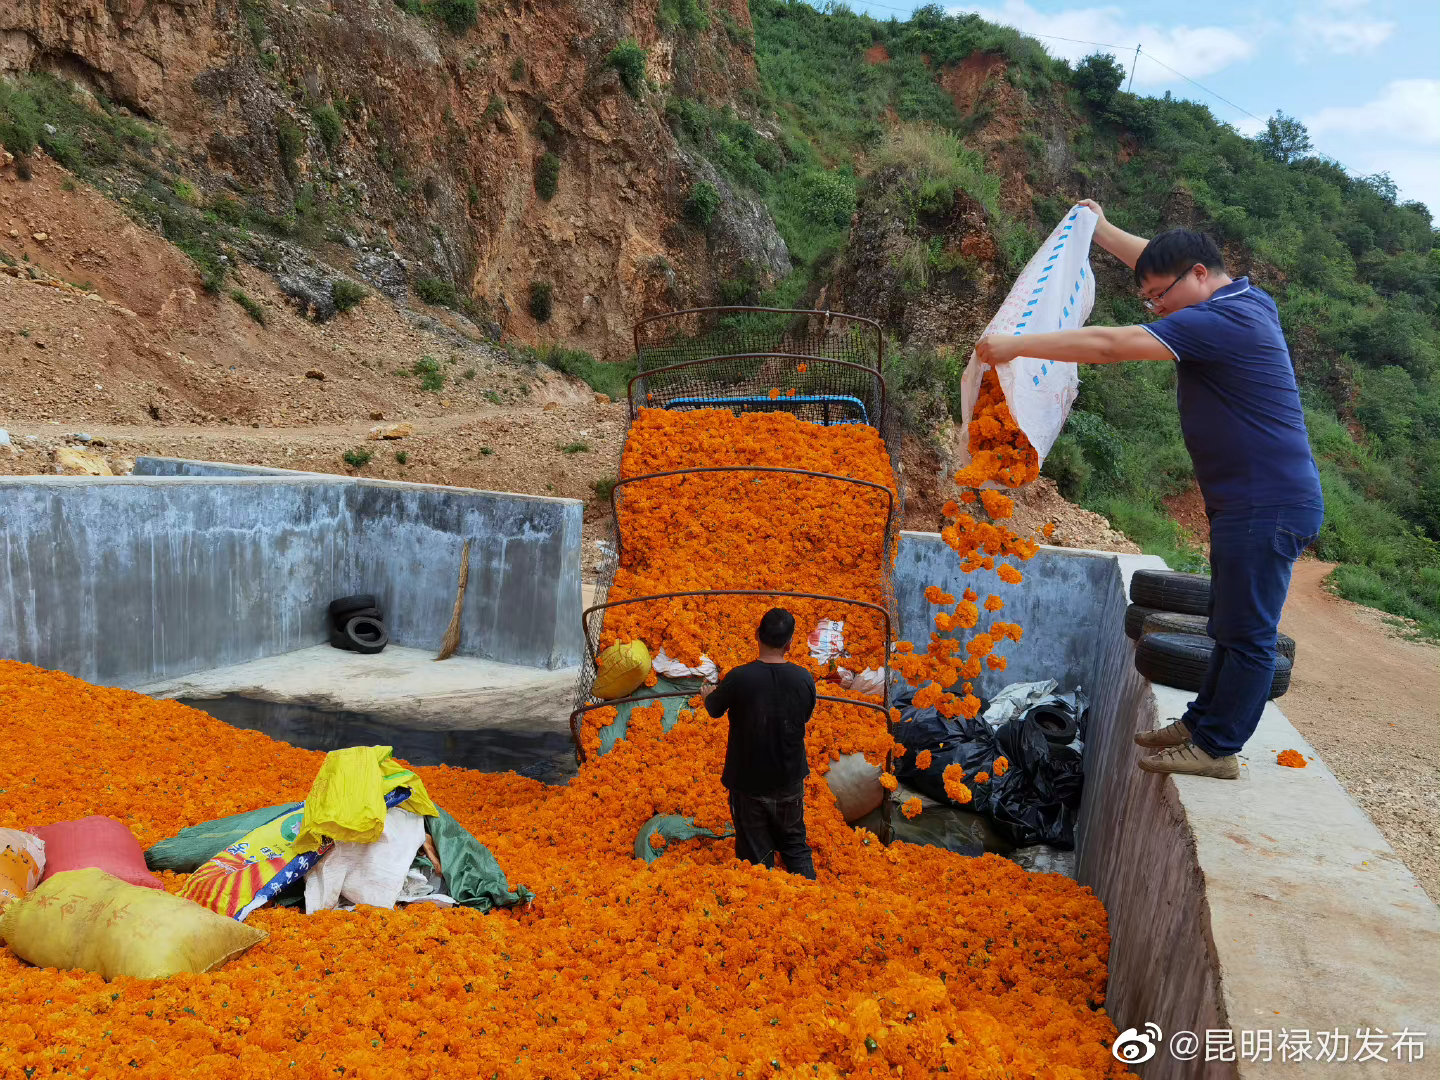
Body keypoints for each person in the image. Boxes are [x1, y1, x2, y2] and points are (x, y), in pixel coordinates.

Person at [974, 200, 1324, 780]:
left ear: (1201, 276)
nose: (1157, 306)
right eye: (1150, 298)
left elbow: (1110, 346)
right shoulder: (1244, 299)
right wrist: (1102, 230)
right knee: (1226, 623)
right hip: (1248, 500)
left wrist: (1016, 345)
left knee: (1248, 634)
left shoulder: (1220, 322)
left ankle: (1217, 749)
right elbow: (1161, 263)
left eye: (1160, 296)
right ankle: (1202, 723)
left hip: (1267, 503)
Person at [700, 607, 818, 878]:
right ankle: (811, 894)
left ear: (756, 635)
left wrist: (707, 695)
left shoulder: (739, 677)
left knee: (755, 854)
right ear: (789, 643)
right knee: (794, 843)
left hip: (748, 782)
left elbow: (715, 709)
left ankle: (761, 893)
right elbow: (805, 715)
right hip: (788, 779)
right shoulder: (803, 678)